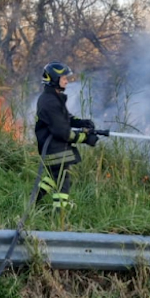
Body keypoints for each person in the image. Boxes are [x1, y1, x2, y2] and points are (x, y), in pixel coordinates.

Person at [34, 61, 98, 210]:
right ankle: (60, 214)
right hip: (53, 147)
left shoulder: (53, 97)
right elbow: (62, 132)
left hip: (52, 146)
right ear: (54, 79)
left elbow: (65, 118)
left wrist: (81, 122)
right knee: (62, 181)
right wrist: (86, 138)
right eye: (63, 78)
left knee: (52, 177)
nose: (66, 81)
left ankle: (33, 201)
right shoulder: (50, 101)